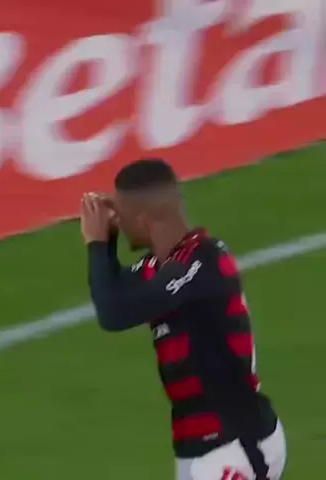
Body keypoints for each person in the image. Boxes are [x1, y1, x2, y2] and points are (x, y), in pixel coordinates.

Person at [80, 158, 286, 480]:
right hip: (196, 445)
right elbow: (113, 295)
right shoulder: (160, 266)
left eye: (122, 215)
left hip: (237, 442)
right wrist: (107, 244)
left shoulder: (203, 262)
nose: (118, 220)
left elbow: (114, 314)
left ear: (143, 220)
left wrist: (96, 243)